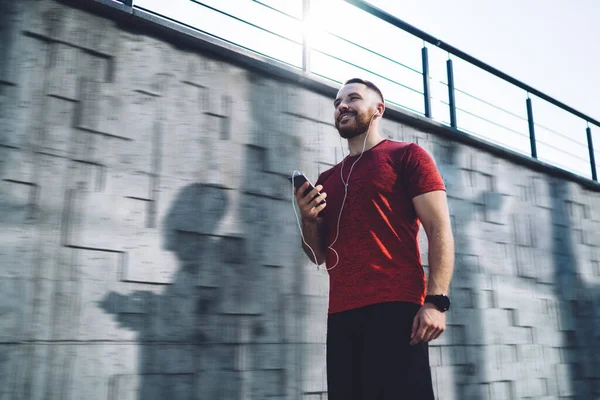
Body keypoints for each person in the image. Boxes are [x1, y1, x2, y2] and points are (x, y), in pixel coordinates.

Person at [294, 78, 455, 399]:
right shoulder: (327, 179)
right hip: (341, 314)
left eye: (353, 98)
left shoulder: (407, 156)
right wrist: (308, 218)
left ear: (378, 109)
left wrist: (437, 302)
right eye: (337, 102)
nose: (342, 106)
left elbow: (439, 229)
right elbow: (318, 254)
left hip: (396, 310)